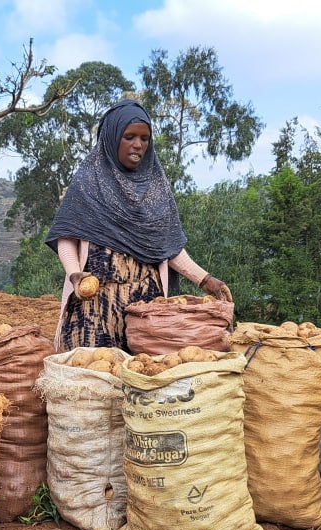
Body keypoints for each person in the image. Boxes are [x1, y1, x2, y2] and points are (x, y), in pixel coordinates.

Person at [45, 99, 231, 351]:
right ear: (111, 138)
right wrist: (75, 274)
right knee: (96, 377)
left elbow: (167, 246)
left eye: (144, 138)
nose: (138, 145)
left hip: (147, 312)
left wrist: (206, 280)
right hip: (96, 309)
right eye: (129, 137)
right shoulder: (89, 181)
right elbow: (67, 235)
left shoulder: (156, 187)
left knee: (145, 376)